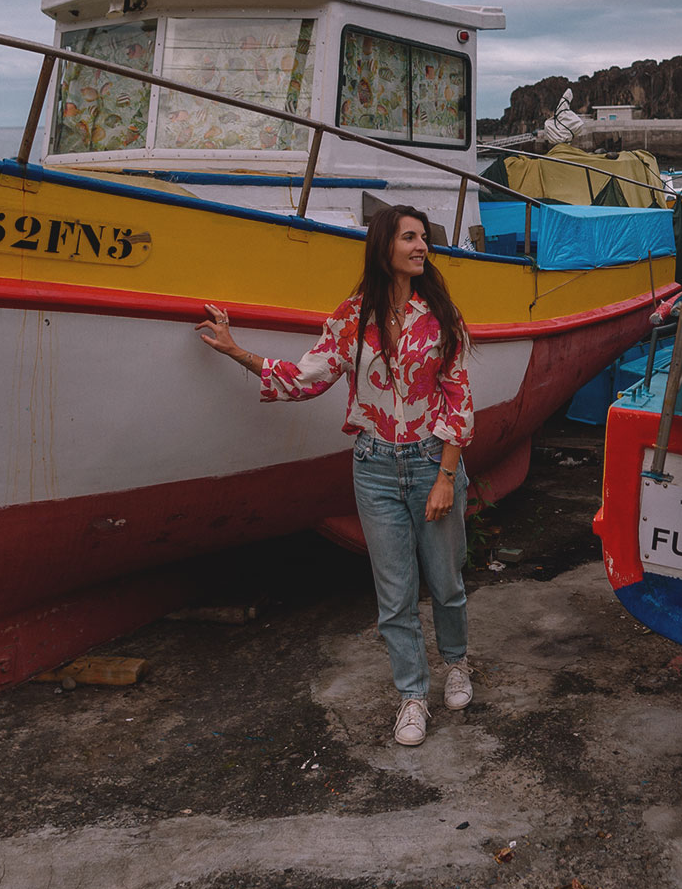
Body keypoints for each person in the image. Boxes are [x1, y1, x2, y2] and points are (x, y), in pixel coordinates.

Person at [197, 205, 475, 747]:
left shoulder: (441, 315)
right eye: (410, 238)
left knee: (446, 583)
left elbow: (458, 398)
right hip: (373, 467)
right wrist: (237, 352)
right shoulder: (354, 317)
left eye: (423, 238)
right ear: (384, 246)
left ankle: (458, 664)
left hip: (430, 461)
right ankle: (412, 696)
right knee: (394, 593)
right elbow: (306, 378)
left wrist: (446, 475)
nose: (422, 246)